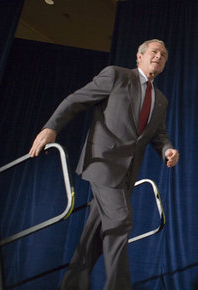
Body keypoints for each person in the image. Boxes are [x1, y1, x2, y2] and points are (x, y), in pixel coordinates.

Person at [29, 39, 179, 289]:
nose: (159, 56)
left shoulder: (160, 99)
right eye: (154, 51)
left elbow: (157, 134)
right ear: (139, 56)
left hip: (127, 174)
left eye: (163, 54)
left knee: (94, 237)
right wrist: (51, 127)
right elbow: (76, 100)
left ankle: (72, 285)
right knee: (120, 221)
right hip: (102, 163)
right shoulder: (116, 76)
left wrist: (167, 149)